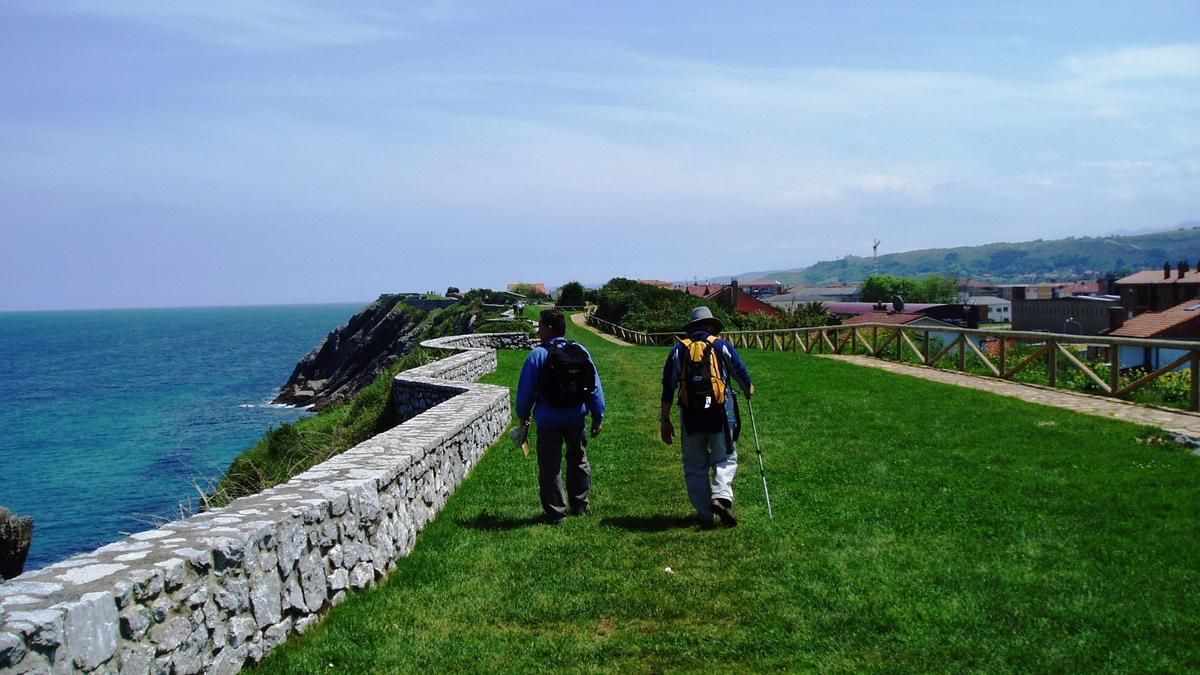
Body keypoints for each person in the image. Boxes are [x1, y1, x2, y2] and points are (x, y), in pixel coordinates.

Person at [660, 306, 754, 528]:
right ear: (712, 326)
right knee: (725, 457)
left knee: (694, 463)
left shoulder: (678, 350)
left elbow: (667, 387)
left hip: (690, 416)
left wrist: (665, 420)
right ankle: (720, 496)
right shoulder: (721, 346)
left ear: (691, 329)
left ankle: (705, 515)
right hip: (721, 414)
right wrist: (748, 389)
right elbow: (742, 376)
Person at [517, 309, 605, 524]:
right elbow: (594, 386)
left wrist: (523, 414)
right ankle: (581, 504)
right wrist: (597, 414)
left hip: (548, 420)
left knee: (550, 466)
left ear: (548, 328)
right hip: (575, 416)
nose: (538, 330)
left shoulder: (538, 355)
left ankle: (557, 513)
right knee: (578, 459)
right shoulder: (579, 350)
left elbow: (526, 391)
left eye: (540, 326)